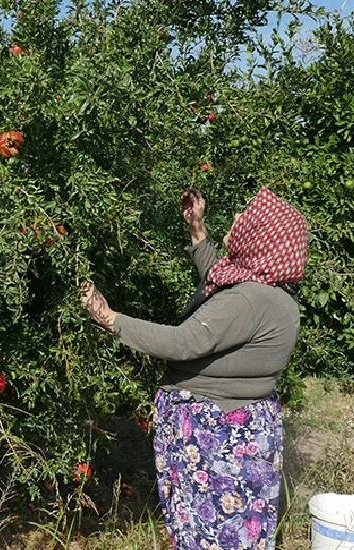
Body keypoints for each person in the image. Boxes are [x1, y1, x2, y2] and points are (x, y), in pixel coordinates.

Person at [80, 186, 308, 550]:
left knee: (209, 530)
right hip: (247, 423)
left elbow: (181, 343)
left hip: (214, 432)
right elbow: (222, 277)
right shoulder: (275, 295)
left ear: (262, 237)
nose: (236, 219)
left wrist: (110, 319)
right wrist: (197, 230)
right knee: (236, 528)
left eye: (245, 217)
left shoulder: (248, 300)